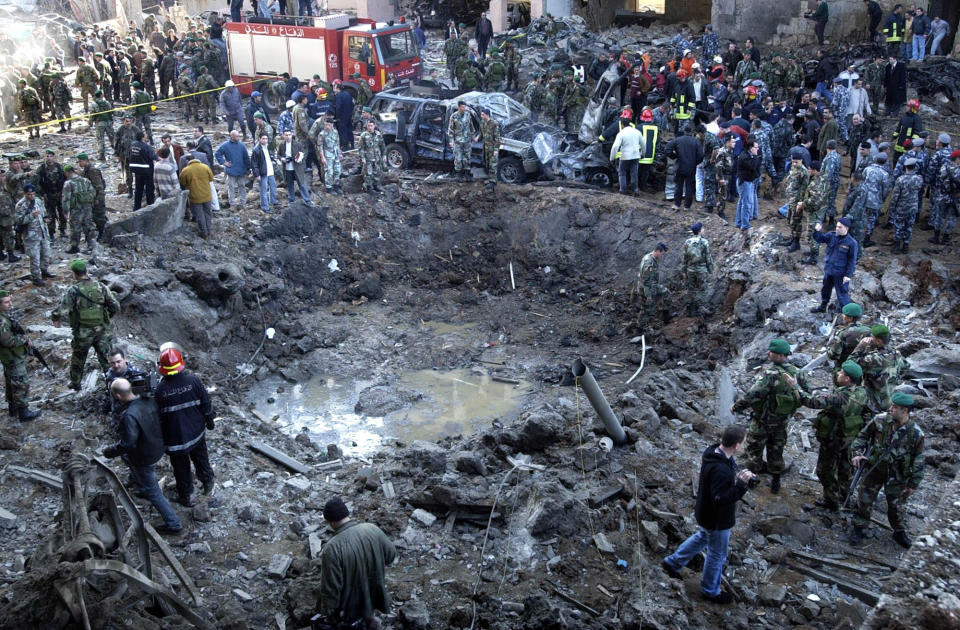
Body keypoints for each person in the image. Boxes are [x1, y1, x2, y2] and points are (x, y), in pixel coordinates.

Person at [661, 424, 756, 605]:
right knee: (716, 555)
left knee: (702, 537)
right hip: (717, 520)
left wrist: (739, 478)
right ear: (736, 445)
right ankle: (710, 591)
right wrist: (741, 486)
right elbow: (720, 499)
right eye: (743, 442)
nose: (745, 445)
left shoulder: (713, 452)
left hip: (705, 513)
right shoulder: (721, 470)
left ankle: (672, 563)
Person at [102, 377, 182, 534]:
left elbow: (128, 444)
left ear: (117, 396)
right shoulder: (149, 401)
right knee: (134, 467)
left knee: (153, 492)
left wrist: (109, 451)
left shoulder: (129, 415)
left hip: (143, 457)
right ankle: (141, 487)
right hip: (157, 447)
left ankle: (174, 524)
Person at [731, 338, 809, 493]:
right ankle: (776, 482)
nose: (768, 353)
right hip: (782, 421)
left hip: (763, 420)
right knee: (776, 450)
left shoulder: (770, 374)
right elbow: (806, 394)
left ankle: (752, 479)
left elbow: (753, 395)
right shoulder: (798, 373)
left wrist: (737, 407)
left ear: (780, 356)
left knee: (754, 449)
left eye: (771, 352)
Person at [849, 392, 924, 548]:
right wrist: (856, 454)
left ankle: (899, 531)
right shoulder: (880, 420)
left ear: (905, 411)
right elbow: (862, 437)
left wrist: (913, 484)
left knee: (896, 506)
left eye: (895, 407)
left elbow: (919, 459)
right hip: (875, 469)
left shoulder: (915, 433)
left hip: (897, 476)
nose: (891, 408)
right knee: (864, 500)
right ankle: (859, 527)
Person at [317, 497, 397, 629]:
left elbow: (331, 589)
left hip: (349, 610)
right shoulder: (372, 528)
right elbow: (391, 555)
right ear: (347, 514)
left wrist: (329, 614)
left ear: (330, 522)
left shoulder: (332, 548)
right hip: (373, 598)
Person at [799, 360, 869, 511]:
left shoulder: (840, 397)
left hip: (833, 438)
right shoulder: (862, 392)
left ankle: (831, 501)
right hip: (850, 437)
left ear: (847, 379)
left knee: (825, 471)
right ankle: (846, 496)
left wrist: (795, 387)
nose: (838, 373)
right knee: (845, 468)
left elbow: (812, 402)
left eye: (841, 373)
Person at [155, 346, 215, 507]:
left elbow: (159, 419)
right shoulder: (193, 381)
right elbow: (206, 404)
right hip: (196, 433)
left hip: (176, 441)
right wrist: (210, 421)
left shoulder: (160, 391)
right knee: (202, 459)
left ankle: (186, 496)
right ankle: (207, 482)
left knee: (181, 469)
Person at [51, 259, 120, 391]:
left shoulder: (73, 290)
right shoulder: (101, 287)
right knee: (106, 359)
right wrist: (106, 318)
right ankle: (114, 385)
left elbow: (62, 309)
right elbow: (115, 306)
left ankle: (76, 383)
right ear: (87, 271)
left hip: (82, 333)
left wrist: (55, 317)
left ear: (74, 274)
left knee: (78, 359)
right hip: (102, 331)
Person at [0, 290, 41, 421]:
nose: (10, 304)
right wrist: (24, 339)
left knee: (11, 381)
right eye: (6, 302)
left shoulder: (4, 316)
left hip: (9, 356)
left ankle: (13, 409)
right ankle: (23, 412)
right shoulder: (2, 322)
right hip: (12, 356)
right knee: (21, 382)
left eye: (10, 301)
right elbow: (7, 341)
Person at [849, 325, 907, 415]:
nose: (870, 338)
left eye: (872, 337)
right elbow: (905, 366)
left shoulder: (874, 359)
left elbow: (850, 364)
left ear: (879, 341)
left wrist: (861, 345)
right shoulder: (896, 353)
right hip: (890, 397)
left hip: (873, 401)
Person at [810, 217, 858, 313]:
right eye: (837, 226)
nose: (837, 229)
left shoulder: (851, 243)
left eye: (840, 227)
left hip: (840, 273)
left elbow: (852, 260)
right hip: (829, 270)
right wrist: (817, 231)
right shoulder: (832, 236)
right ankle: (823, 307)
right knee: (825, 290)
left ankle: (848, 314)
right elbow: (820, 239)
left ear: (846, 228)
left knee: (842, 294)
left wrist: (848, 275)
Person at [14, 184, 54, 286]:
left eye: (32, 194)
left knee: (46, 254)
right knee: (35, 258)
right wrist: (31, 216)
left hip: (42, 232)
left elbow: (43, 212)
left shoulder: (38, 200)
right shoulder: (20, 205)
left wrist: (46, 219)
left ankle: (44, 271)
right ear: (24, 193)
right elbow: (19, 220)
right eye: (28, 194)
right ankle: (36, 277)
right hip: (31, 236)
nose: (31, 196)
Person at [61, 164, 98, 256]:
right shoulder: (85, 180)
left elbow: (66, 198)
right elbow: (93, 192)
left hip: (76, 209)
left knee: (75, 227)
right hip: (87, 207)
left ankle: (74, 246)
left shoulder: (68, 183)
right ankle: (91, 245)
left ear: (67, 173)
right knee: (88, 225)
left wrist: (65, 211)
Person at [887, 157, 923, 253]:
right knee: (909, 226)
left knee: (898, 226)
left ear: (905, 167)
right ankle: (906, 245)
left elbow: (895, 196)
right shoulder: (919, 179)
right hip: (913, 206)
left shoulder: (901, 180)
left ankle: (897, 245)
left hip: (901, 207)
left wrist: (892, 207)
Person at [681, 222, 713, 318]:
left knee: (691, 289)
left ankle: (691, 309)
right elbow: (708, 257)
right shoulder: (704, 242)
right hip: (701, 269)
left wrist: (684, 271)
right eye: (702, 229)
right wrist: (710, 269)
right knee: (702, 289)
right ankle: (702, 309)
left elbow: (684, 257)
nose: (704, 230)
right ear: (699, 231)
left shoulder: (687, 242)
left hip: (690, 269)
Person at [178, 156, 215, 238]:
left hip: (194, 197)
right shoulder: (205, 167)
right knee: (208, 213)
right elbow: (211, 178)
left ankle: (204, 232)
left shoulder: (186, 170)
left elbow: (182, 183)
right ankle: (208, 230)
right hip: (207, 195)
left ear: (188, 160)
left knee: (199, 215)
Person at [668, 124, 703, 210]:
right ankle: (687, 206)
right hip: (691, 167)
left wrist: (674, 156)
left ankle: (677, 204)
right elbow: (701, 155)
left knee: (678, 185)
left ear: (684, 131)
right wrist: (695, 162)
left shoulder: (678, 140)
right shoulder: (695, 141)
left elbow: (667, 149)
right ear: (692, 132)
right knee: (689, 187)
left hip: (680, 165)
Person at [215, 130, 252, 210]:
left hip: (241, 170)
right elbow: (217, 153)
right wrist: (224, 162)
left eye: (239, 136)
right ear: (231, 136)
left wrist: (248, 168)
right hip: (231, 170)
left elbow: (246, 157)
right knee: (231, 187)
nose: (238, 137)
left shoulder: (242, 145)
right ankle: (232, 204)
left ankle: (243, 203)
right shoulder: (225, 145)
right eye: (236, 136)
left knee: (242, 186)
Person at [35, 149, 67, 243]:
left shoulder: (59, 167)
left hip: (60, 194)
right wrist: (43, 194)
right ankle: (51, 232)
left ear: (54, 157)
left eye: (50, 156)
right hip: (48, 195)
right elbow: (38, 183)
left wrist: (63, 192)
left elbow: (65, 180)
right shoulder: (41, 169)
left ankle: (62, 230)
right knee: (50, 214)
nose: (49, 158)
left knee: (62, 213)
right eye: (47, 156)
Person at [828, 303, 871, 370]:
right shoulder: (868, 330)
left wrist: (829, 347)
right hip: (862, 367)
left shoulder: (842, 333)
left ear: (850, 318)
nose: (842, 315)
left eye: (844, 314)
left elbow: (833, 356)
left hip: (845, 367)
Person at [735, 138, 761, 249]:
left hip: (747, 181)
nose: (758, 149)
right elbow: (754, 165)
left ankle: (739, 222)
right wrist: (756, 157)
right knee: (746, 203)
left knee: (742, 202)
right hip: (744, 182)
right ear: (751, 148)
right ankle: (744, 224)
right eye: (756, 148)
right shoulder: (745, 157)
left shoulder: (747, 155)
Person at [610, 111, 643, 195]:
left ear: (622, 125)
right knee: (634, 173)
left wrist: (612, 158)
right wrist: (643, 154)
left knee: (622, 173)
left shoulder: (621, 133)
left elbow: (615, 147)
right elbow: (643, 145)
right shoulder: (637, 132)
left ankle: (623, 190)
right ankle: (635, 189)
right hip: (636, 156)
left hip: (625, 156)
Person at [637, 243, 668, 331]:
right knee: (646, 308)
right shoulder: (648, 262)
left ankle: (665, 316)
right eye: (662, 253)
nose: (662, 255)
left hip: (652, 286)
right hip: (645, 289)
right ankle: (641, 328)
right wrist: (649, 296)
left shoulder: (652, 258)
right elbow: (646, 281)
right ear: (658, 251)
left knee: (666, 293)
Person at [128, 130, 156, 210]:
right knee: (149, 189)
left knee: (138, 189)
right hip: (147, 171)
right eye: (145, 135)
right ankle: (151, 207)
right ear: (143, 137)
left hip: (137, 171)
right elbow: (154, 157)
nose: (147, 136)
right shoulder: (147, 147)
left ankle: (136, 207)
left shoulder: (132, 145)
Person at [252, 132, 279, 213]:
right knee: (263, 190)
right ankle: (265, 207)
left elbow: (271, 156)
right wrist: (257, 174)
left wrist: (273, 160)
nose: (265, 140)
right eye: (263, 139)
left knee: (273, 186)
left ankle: (273, 201)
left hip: (270, 170)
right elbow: (254, 163)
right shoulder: (256, 150)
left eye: (266, 138)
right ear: (259, 139)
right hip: (263, 172)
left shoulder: (268, 147)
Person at [448, 101, 474, 183]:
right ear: (459, 107)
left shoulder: (468, 115)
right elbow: (450, 130)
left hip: (467, 140)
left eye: (465, 107)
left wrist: (473, 137)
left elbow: (471, 127)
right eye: (463, 107)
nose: (464, 108)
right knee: (458, 158)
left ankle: (467, 174)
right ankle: (459, 174)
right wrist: (451, 141)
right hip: (458, 141)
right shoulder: (454, 116)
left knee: (467, 158)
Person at [359, 120, 387, 195]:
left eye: (371, 126)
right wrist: (362, 158)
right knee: (368, 173)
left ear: (374, 126)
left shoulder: (378, 134)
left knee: (377, 172)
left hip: (377, 157)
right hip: (368, 158)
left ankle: (375, 186)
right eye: (369, 126)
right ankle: (369, 188)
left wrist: (384, 155)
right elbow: (361, 148)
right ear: (366, 126)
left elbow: (382, 146)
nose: (370, 127)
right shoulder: (364, 135)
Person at [477, 108, 500, 188]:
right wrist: (477, 138)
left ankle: (493, 182)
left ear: (487, 115)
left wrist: (496, 149)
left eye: (482, 114)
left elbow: (497, 138)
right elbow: (480, 133)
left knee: (492, 165)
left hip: (492, 147)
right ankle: (490, 179)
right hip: (485, 147)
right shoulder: (482, 123)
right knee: (487, 164)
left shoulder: (494, 123)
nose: (481, 116)